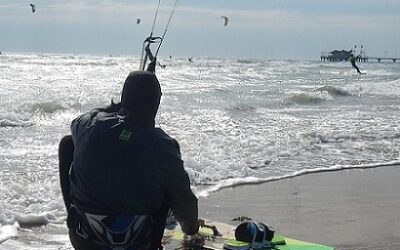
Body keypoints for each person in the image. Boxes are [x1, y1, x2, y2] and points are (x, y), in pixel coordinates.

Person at [59, 70, 200, 250]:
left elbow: (80, 120)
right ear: (157, 103)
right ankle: (155, 245)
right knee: (167, 181)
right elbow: (185, 205)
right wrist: (191, 228)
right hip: (136, 242)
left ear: (124, 99)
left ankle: (72, 212)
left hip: (84, 239)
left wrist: (116, 108)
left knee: (68, 143)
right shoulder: (164, 146)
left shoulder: (90, 126)